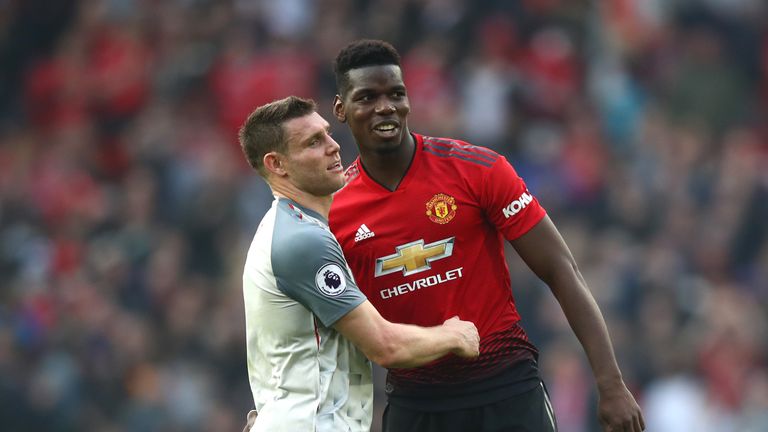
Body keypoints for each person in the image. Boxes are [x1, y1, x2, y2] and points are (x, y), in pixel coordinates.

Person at [328, 39, 646, 432]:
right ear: (341, 109)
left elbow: (561, 269)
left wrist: (610, 383)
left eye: (396, 93)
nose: (385, 107)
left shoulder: (476, 170)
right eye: (367, 97)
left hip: (506, 389)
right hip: (416, 402)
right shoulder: (333, 211)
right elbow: (326, 330)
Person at [238, 95, 480, 432]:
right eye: (313, 142)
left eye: (327, 133)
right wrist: (453, 335)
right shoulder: (303, 241)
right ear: (277, 164)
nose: (333, 146)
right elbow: (385, 346)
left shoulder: (288, 229)